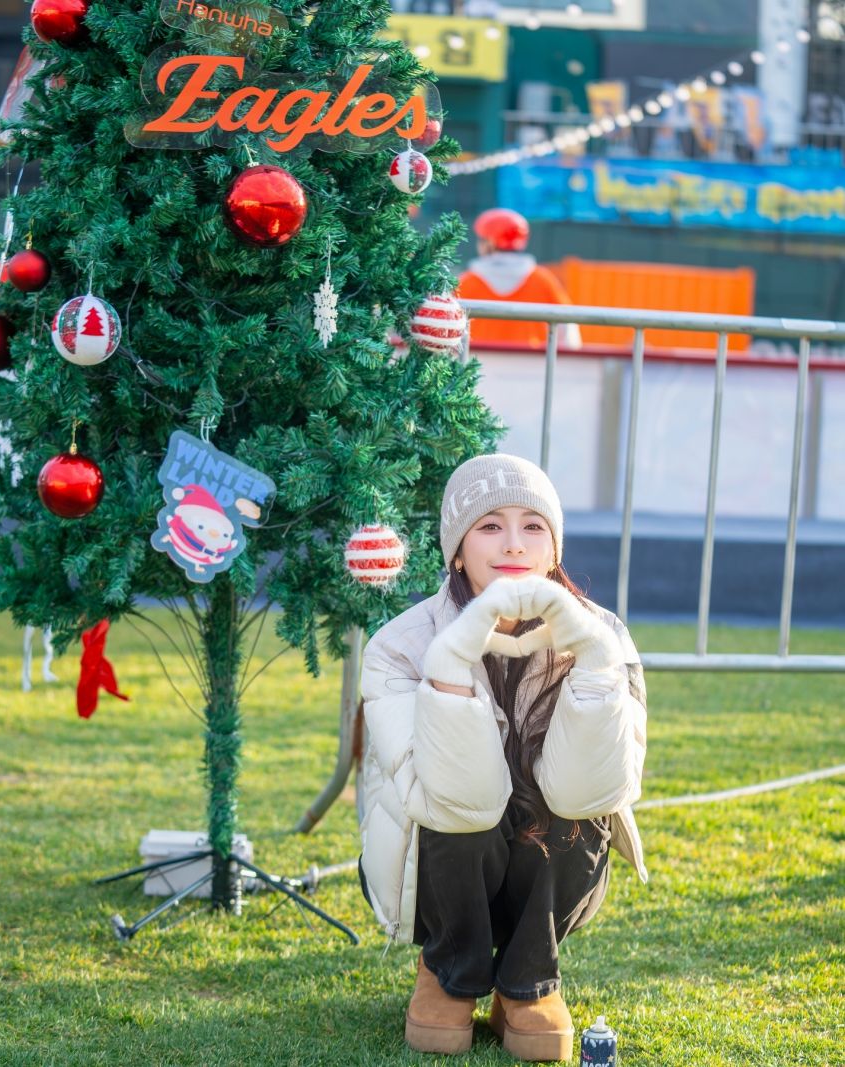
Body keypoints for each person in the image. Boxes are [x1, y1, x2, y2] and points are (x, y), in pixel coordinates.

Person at [358, 453, 647, 1063]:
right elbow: (450, 794)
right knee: (461, 808)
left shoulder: (605, 635)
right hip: (436, 859)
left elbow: (595, 790)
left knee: (575, 803)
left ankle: (528, 982)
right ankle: (449, 971)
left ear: (553, 550)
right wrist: (453, 660)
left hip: (551, 859)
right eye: (489, 526)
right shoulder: (400, 646)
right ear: (457, 551)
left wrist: (592, 660)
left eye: (532, 526)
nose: (513, 544)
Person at [457, 209, 581, 351]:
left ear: (489, 242)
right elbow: (569, 333)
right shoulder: (542, 280)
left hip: (475, 366)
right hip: (532, 367)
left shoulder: (466, 282)